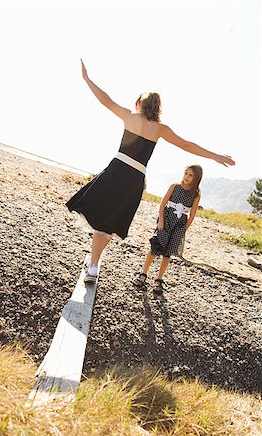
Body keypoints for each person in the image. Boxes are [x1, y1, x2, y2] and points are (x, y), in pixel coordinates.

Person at [66, 59, 235, 283]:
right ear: (157, 108)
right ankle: (94, 264)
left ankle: (94, 265)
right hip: (135, 178)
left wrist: (87, 79)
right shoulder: (160, 129)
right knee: (111, 222)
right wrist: (215, 156)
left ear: (140, 104)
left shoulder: (130, 116)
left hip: (117, 170)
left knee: (99, 216)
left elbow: (105, 100)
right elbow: (186, 145)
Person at [134, 165, 202, 294]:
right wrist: (161, 220)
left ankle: (159, 279)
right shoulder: (175, 187)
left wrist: (183, 230)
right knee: (156, 247)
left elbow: (192, 215)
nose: (186, 177)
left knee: (167, 253)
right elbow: (163, 204)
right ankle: (143, 274)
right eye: (185, 173)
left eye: (190, 175)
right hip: (166, 220)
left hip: (179, 225)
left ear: (196, 178)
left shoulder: (196, 194)